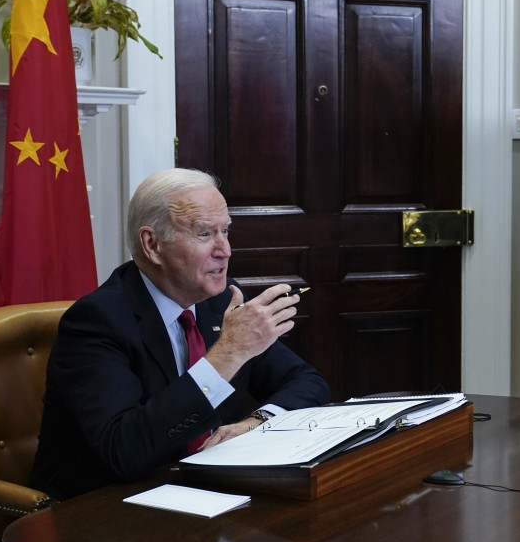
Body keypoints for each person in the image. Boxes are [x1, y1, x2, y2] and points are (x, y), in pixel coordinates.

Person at [26, 168, 331, 500]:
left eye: (225, 231)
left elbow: (307, 382)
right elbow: (125, 452)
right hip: (104, 511)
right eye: (204, 234)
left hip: (205, 494)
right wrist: (227, 354)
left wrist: (258, 421)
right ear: (152, 244)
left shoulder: (221, 301)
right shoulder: (96, 321)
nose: (225, 250)